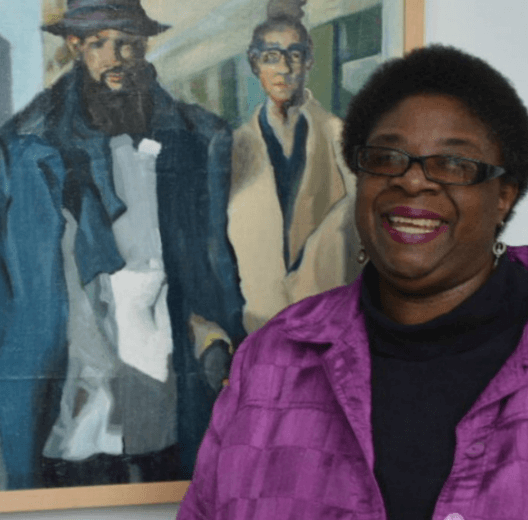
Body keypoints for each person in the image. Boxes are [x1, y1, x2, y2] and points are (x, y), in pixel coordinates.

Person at [178, 45, 528, 520]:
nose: (412, 182)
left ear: (503, 195)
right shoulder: (272, 357)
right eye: (386, 157)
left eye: (452, 163)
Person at [0, 0, 245, 488]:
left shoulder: (196, 139)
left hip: (167, 377)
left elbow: (217, 259)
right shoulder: (27, 145)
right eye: (99, 43)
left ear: (145, 46)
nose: (116, 57)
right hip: (74, 384)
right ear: (75, 46)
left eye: (128, 43)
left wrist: (224, 337)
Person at [227, 15, 361, 334]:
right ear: (255, 64)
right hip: (257, 325)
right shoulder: (233, 149)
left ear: (309, 61)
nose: (284, 68)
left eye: (295, 55)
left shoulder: (342, 138)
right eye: (271, 56)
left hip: (328, 323)